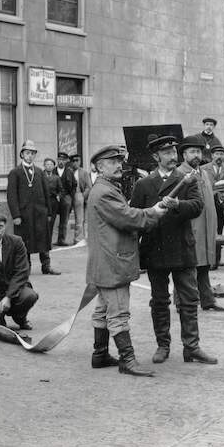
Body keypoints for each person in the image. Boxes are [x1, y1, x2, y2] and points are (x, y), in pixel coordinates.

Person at [130, 134, 216, 366]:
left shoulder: (187, 179)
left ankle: (192, 347)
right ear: (156, 157)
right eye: (166, 153)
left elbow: (198, 206)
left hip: (181, 247)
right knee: (159, 301)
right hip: (155, 249)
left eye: (173, 152)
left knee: (189, 299)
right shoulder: (143, 184)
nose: (172, 157)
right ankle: (163, 345)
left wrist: (178, 204)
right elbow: (136, 216)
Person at [87, 145, 167, 376]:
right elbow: (128, 218)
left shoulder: (104, 188)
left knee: (102, 310)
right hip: (113, 264)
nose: (119, 165)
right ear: (100, 167)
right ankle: (127, 360)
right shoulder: (105, 192)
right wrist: (154, 212)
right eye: (113, 161)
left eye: (119, 160)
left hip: (105, 262)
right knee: (119, 313)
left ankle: (100, 355)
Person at [177, 136, 224, 312]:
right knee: (187, 266)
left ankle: (207, 300)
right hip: (191, 228)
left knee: (204, 265)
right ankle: (181, 301)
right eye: (192, 152)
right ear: (184, 155)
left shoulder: (203, 173)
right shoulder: (180, 174)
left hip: (206, 228)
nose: (196, 155)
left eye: (198, 151)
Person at [6, 140, 60, 276]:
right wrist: (16, 215)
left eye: (32, 153)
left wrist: (48, 211)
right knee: (24, 241)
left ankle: (46, 266)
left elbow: (46, 192)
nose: (30, 156)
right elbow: (11, 196)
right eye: (27, 153)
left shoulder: (39, 172)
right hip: (24, 214)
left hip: (40, 212)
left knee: (44, 239)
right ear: (22, 154)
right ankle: (25, 268)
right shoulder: (15, 172)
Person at [51, 151, 76, 246]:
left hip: (66, 198)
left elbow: (74, 185)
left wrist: (71, 197)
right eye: (59, 160)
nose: (61, 162)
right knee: (52, 219)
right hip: (55, 198)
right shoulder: (52, 171)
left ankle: (61, 240)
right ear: (57, 160)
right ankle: (49, 240)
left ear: (66, 161)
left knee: (64, 220)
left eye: (63, 160)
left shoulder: (69, 172)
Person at [71, 154, 91, 243]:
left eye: (77, 161)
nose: (75, 163)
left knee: (82, 219)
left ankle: (80, 238)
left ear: (80, 161)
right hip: (71, 195)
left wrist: (83, 196)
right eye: (73, 161)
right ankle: (77, 238)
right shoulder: (69, 172)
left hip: (80, 195)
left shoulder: (84, 172)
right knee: (77, 219)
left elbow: (88, 186)